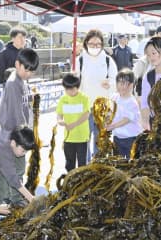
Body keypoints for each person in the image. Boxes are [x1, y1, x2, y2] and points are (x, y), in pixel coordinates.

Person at [75, 29, 118, 159]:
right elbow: (75, 84)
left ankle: (98, 165)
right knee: (84, 139)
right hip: (84, 107)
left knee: (100, 140)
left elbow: (116, 80)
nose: (95, 47)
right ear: (86, 43)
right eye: (92, 43)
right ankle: (86, 166)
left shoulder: (108, 60)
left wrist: (110, 83)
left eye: (98, 44)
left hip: (103, 108)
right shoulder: (80, 60)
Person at [0, 48, 39, 135]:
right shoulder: (13, 83)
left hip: (20, 129)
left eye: (32, 72)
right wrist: (26, 133)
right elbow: (17, 114)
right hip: (13, 132)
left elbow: (20, 97)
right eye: (27, 70)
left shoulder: (22, 79)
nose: (29, 74)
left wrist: (30, 97)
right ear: (17, 64)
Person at [106, 69, 143, 158]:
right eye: (119, 83)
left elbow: (126, 119)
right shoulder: (114, 97)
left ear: (131, 85)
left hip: (131, 138)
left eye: (124, 83)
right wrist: (107, 119)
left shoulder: (132, 102)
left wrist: (113, 126)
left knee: (131, 163)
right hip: (117, 138)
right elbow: (110, 110)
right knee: (118, 163)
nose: (121, 86)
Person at [56, 74, 90, 172]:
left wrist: (73, 125)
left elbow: (86, 115)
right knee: (69, 163)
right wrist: (60, 121)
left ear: (77, 87)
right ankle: (71, 181)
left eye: (72, 89)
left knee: (82, 163)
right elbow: (59, 114)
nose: (70, 91)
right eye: (67, 89)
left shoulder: (84, 98)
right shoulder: (63, 99)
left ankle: (81, 183)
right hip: (68, 137)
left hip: (81, 137)